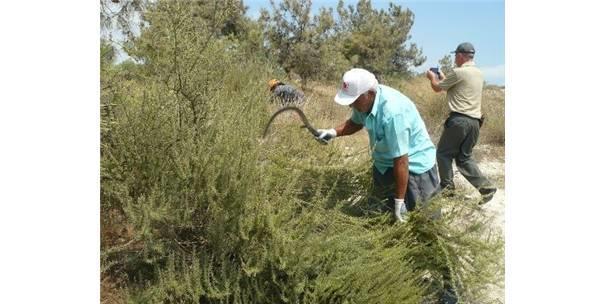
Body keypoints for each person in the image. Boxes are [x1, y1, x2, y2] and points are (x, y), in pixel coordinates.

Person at [316, 68, 439, 223]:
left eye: (354, 100)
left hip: (414, 168)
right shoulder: (364, 103)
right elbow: (355, 123)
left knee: (424, 221)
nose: (351, 105)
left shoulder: (393, 112)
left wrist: (399, 202)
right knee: (382, 218)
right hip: (384, 165)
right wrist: (332, 132)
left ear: (370, 94)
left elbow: (401, 160)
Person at [426, 42, 497, 204]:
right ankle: (486, 187)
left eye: (455, 56)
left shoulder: (459, 72)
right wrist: (443, 77)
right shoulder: (478, 73)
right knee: (464, 158)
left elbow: (437, 88)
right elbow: (453, 86)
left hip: (459, 121)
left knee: (443, 154)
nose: (454, 59)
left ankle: (447, 189)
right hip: (475, 123)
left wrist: (432, 78)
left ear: (460, 55)